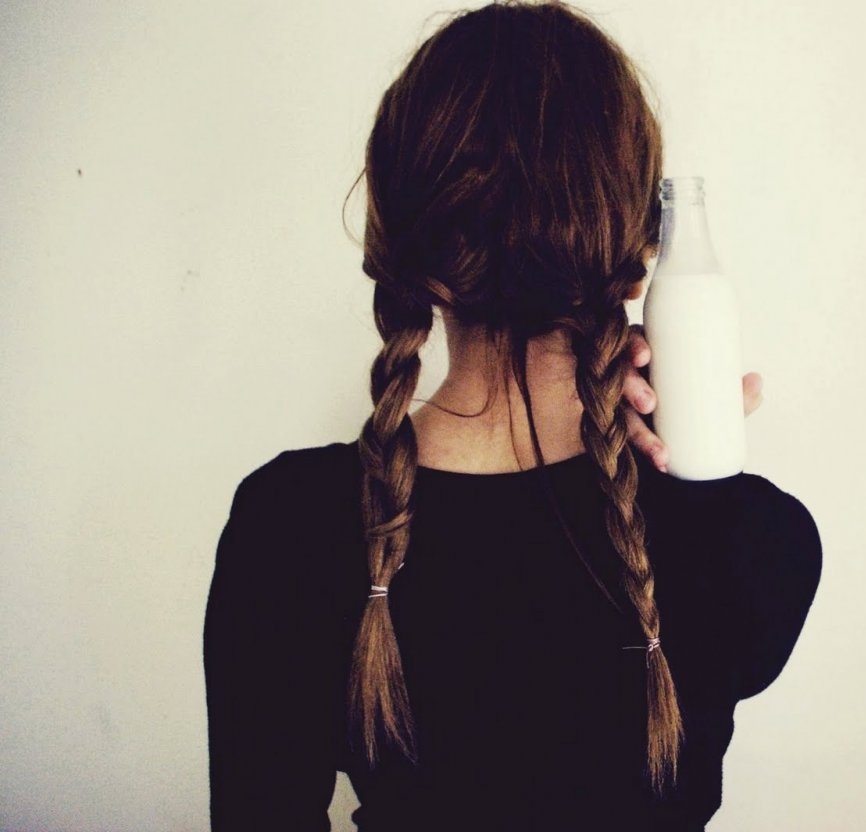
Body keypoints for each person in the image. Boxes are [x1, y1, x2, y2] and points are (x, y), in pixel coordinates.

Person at [202, 2, 822, 830]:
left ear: (404, 247)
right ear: (641, 257)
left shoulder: (288, 526)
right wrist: (704, 463)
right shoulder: (744, 541)